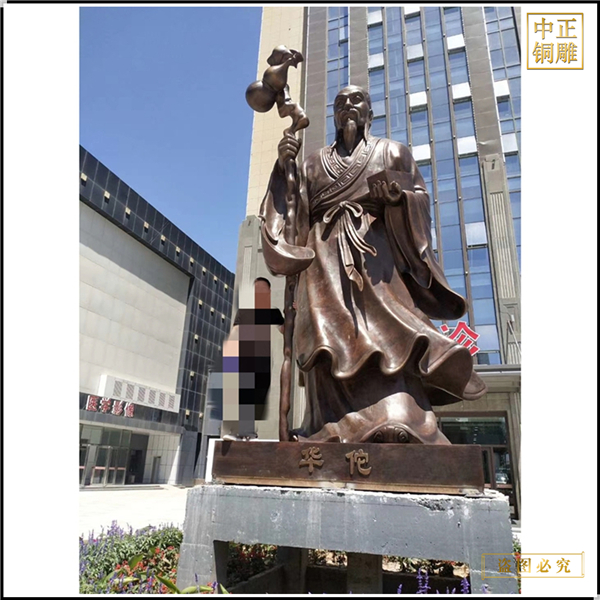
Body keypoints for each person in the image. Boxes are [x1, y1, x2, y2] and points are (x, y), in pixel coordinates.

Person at [259, 85, 486, 444]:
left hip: (376, 259)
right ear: (334, 115)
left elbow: (419, 200)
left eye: (357, 100)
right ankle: (328, 426)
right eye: (340, 103)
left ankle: (400, 415)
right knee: (326, 337)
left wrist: (397, 199)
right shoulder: (313, 163)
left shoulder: (392, 152)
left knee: (391, 330)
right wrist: (284, 166)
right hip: (322, 263)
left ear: (370, 111)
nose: (348, 107)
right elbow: (293, 219)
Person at [220, 278, 284, 440]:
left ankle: (248, 432)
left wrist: (295, 312)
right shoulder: (244, 312)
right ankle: (244, 432)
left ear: (268, 292)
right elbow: (235, 331)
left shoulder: (272, 313)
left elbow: (285, 329)